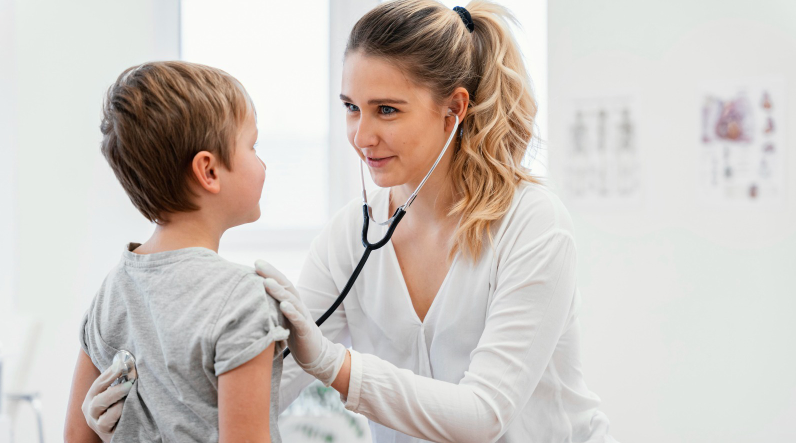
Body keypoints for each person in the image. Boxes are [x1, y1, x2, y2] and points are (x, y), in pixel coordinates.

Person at [84, 1, 619, 442]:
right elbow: (265, 385)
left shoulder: (532, 225)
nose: (361, 136)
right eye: (350, 107)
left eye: (387, 110)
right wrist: (133, 409)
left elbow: (483, 416)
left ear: (453, 109)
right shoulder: (351, 234)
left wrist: (336, 365)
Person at [64, 61, 289, 442]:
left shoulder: (114, 289)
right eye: (252, 145)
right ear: (209, 171)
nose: (262, 162)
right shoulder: (241, 298)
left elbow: (74, 437)